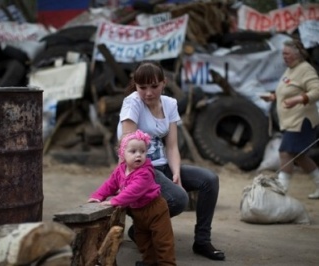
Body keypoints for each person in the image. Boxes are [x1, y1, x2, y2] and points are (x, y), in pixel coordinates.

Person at [117, 61, 225, 261]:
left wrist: (175, 172)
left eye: (154, 86)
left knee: (209, 180)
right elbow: (128, 147)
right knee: (179, 199)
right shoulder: (132, 103)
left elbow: (172, 145)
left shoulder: (170, 104)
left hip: (163, 166)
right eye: (142, 87)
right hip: (139, 172)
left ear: (164, 83)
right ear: (136, 86)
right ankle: (142, 228)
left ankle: (202, 240)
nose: (148, 93)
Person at [88, 129, 176, 266]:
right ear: (122, 153)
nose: (138, 155)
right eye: (133, 151)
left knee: (162, 240)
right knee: (142, 239)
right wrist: (98, 196)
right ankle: (149, 262)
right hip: (138, 212)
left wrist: (114, 201)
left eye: (142, 151)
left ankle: (168, 263)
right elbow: (110, 184)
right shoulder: (121, 170)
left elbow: (133, 191)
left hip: (155, 209)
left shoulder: (145, 172)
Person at [260, 38, 319, 199]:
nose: (284, 57)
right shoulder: (291, 70)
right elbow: (286, 91)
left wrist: (298, 99)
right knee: (299, 155)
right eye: (283, 54)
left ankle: (281, 189)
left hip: (302, 121)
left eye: (286, 54)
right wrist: (272, 97)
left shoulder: (305, 69)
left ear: (297, 54)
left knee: (285, 152)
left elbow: (316, 90)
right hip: (291, 121)